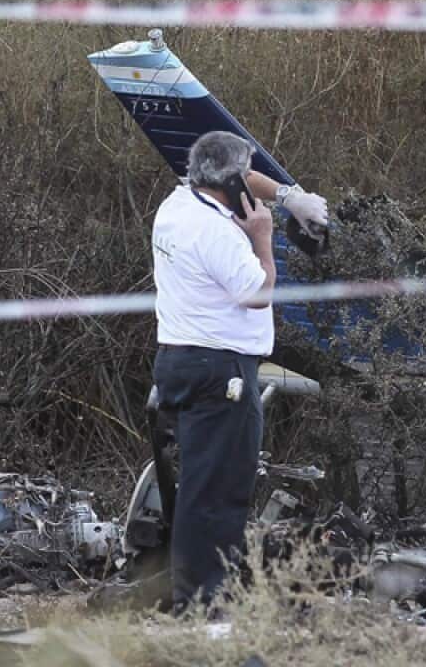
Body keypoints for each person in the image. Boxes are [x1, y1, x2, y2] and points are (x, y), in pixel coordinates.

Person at [150, 130, 328, 612]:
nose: (250, 185)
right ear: (228, 183)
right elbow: (257, 292)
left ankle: (193, 592)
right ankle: (206, 602)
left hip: (181, 358)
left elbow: (241, 175)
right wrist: (263, 238)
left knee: (200, 483)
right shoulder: (215, 233)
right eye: (243, 177)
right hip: (219, 370)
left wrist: (292, 197)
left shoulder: (177, 203)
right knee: (220, 489)